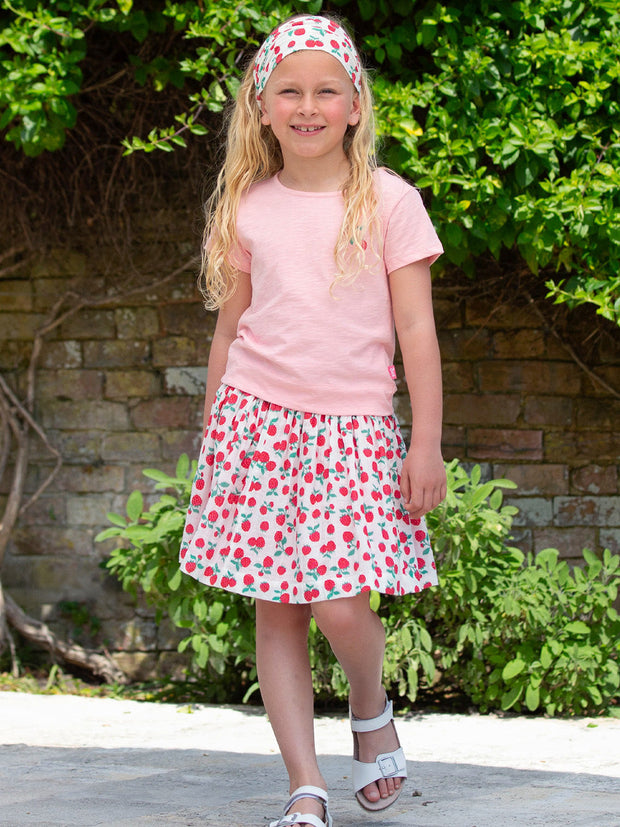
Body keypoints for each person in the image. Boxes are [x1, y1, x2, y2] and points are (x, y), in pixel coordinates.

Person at [179, 14, 446, 827]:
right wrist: (214, 441)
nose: (308, 106)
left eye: (326, 90)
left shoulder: (389, 201)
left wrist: (426, 442)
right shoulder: (248, 205)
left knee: (338, 599)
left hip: (352, 429)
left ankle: (370, 705)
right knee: (277, 607)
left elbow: (416, 332)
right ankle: (304, 785)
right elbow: (230, 330)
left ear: (355, 103)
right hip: (255, 429)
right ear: (261, 107)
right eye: (288, 90)